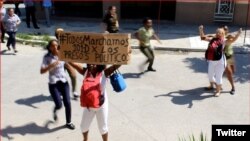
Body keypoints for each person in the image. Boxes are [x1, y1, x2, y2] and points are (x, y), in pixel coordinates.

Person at [69, 62, 122, 141]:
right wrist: (63, 56)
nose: (91, 65)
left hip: (101, 105)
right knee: (83, 127)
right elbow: (75, 65)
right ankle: (85, 139)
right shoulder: (85, 71)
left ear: (99, 64)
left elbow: (116, 65)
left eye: (94, 63)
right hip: (89, 105)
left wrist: (126, 56)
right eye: (90, 63)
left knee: (103, 128)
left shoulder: (104, 72)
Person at [40, 39, 75, 130]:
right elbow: (42, 71)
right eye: (53, 46)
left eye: (56, 45)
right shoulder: (47, 57)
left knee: (67, 102)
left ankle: (68, 122)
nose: (55, 47)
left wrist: (71, 70)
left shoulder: (62, 55)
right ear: (50, 48)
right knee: (59, 104)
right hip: (53, 84)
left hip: (64, 82)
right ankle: (55, 110)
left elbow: (67, 64)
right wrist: (51, 66)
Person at [199, 25, 228, 97]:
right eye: (217, 32)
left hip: (220, 61)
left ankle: (218, 90)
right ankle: (216, 85)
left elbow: (233, 40)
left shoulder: (224, 40)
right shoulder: (212, 39)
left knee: (218, 77)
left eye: (220, 32)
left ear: (222, 34)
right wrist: (200, 30)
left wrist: (238, 34)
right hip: (212, 60)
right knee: (210, 76)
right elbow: (202, 38)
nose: (218, 33)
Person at [55, 28, 79, 99]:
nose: (61, 35)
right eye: (59, 34)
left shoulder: (68, 41)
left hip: (68, 62)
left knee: (73, 75)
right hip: (59, 63)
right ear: (57, 35)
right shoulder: (55, 43)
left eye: (62, 33)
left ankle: (74, 91)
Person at [223, 26, 242, 94]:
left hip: (231, 57)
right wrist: (238, 33)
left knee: (233, 71)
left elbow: (233, 39)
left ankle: (223, 72)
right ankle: (233, 87)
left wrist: (236, 34)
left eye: (226, 29)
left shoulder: (228, 36)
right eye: (224, 29)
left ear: (228, 30)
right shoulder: (222, 39)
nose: (225, 30)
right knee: (230, 73)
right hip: (225, 58)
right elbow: (233, 40)